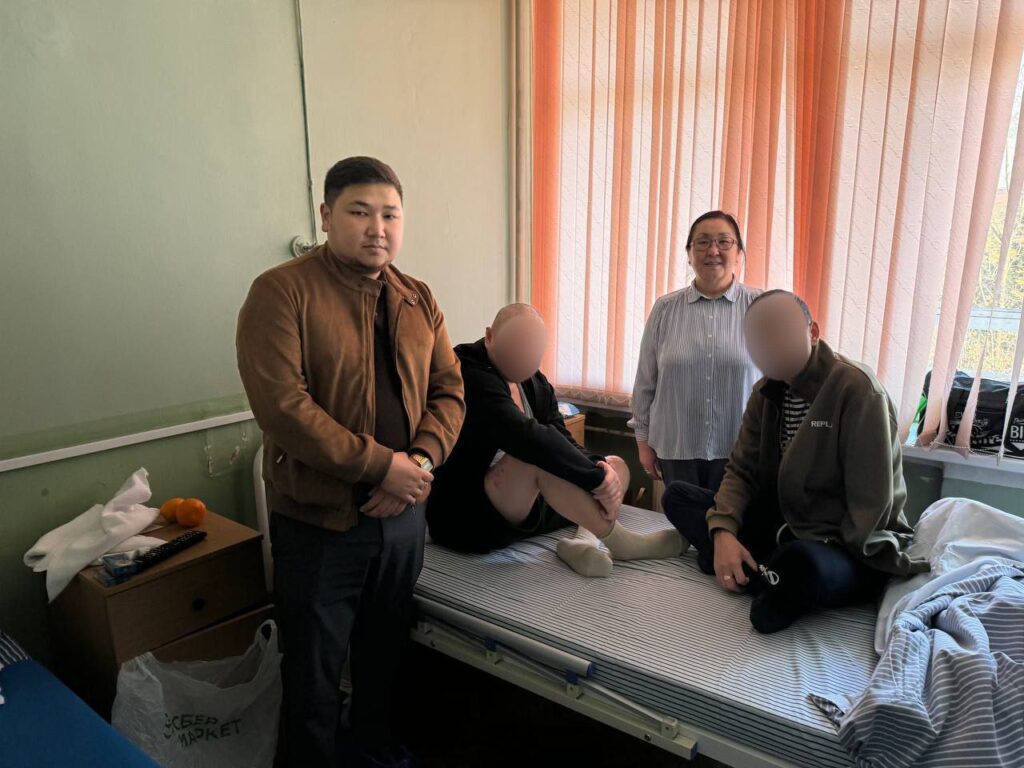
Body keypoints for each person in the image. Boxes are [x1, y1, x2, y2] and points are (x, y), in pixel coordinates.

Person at [236, 156, 465, 767]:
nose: (377, 229)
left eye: (390, 215)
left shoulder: (417, 298)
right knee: (313, 671)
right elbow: (284, 409)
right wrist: (381, 467)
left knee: (384, 654)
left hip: (403, 516)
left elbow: (449, 391)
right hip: (321, 521)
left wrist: (418, 462)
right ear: (326, 215)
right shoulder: (282, 291)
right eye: (360, 212)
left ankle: (374, 749)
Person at [662, 290, 929, 633]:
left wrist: (807, 544)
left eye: (780, 331)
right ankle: (759, 567)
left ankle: (763, 569)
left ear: (812, 332)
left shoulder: (857, 390)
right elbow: (741, 470)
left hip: (845, 542)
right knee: (678, 496)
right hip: (783, 523)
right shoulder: (765, 393)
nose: (769, 346)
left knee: (801, 565)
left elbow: (872, 502)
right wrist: (724, 532)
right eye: (757, 339)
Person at [427, 304, 685, 578]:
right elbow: (526, 437)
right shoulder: (467, 372)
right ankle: (620, 542)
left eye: (532, 352)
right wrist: (594, 479)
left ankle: (583, 542)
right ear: (490, 336)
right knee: (534, 457)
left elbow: (560, 433)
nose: (524, 358)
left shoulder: (535, 382)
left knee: (616, 466)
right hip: (472, 517)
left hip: (531, 505)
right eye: (516, 345)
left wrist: (599, 469)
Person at [630, 211, 762, 492]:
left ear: (739, 254)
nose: (713, 251)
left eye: (724, 242)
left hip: (741, 452)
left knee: (731, 520)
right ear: (689, 254)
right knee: (683, 518)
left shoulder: (760, 307)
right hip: (676, 448)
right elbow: (645, 382)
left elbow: (780, 381)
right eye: (702, 242)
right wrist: (643, 442)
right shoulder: (665, 308)